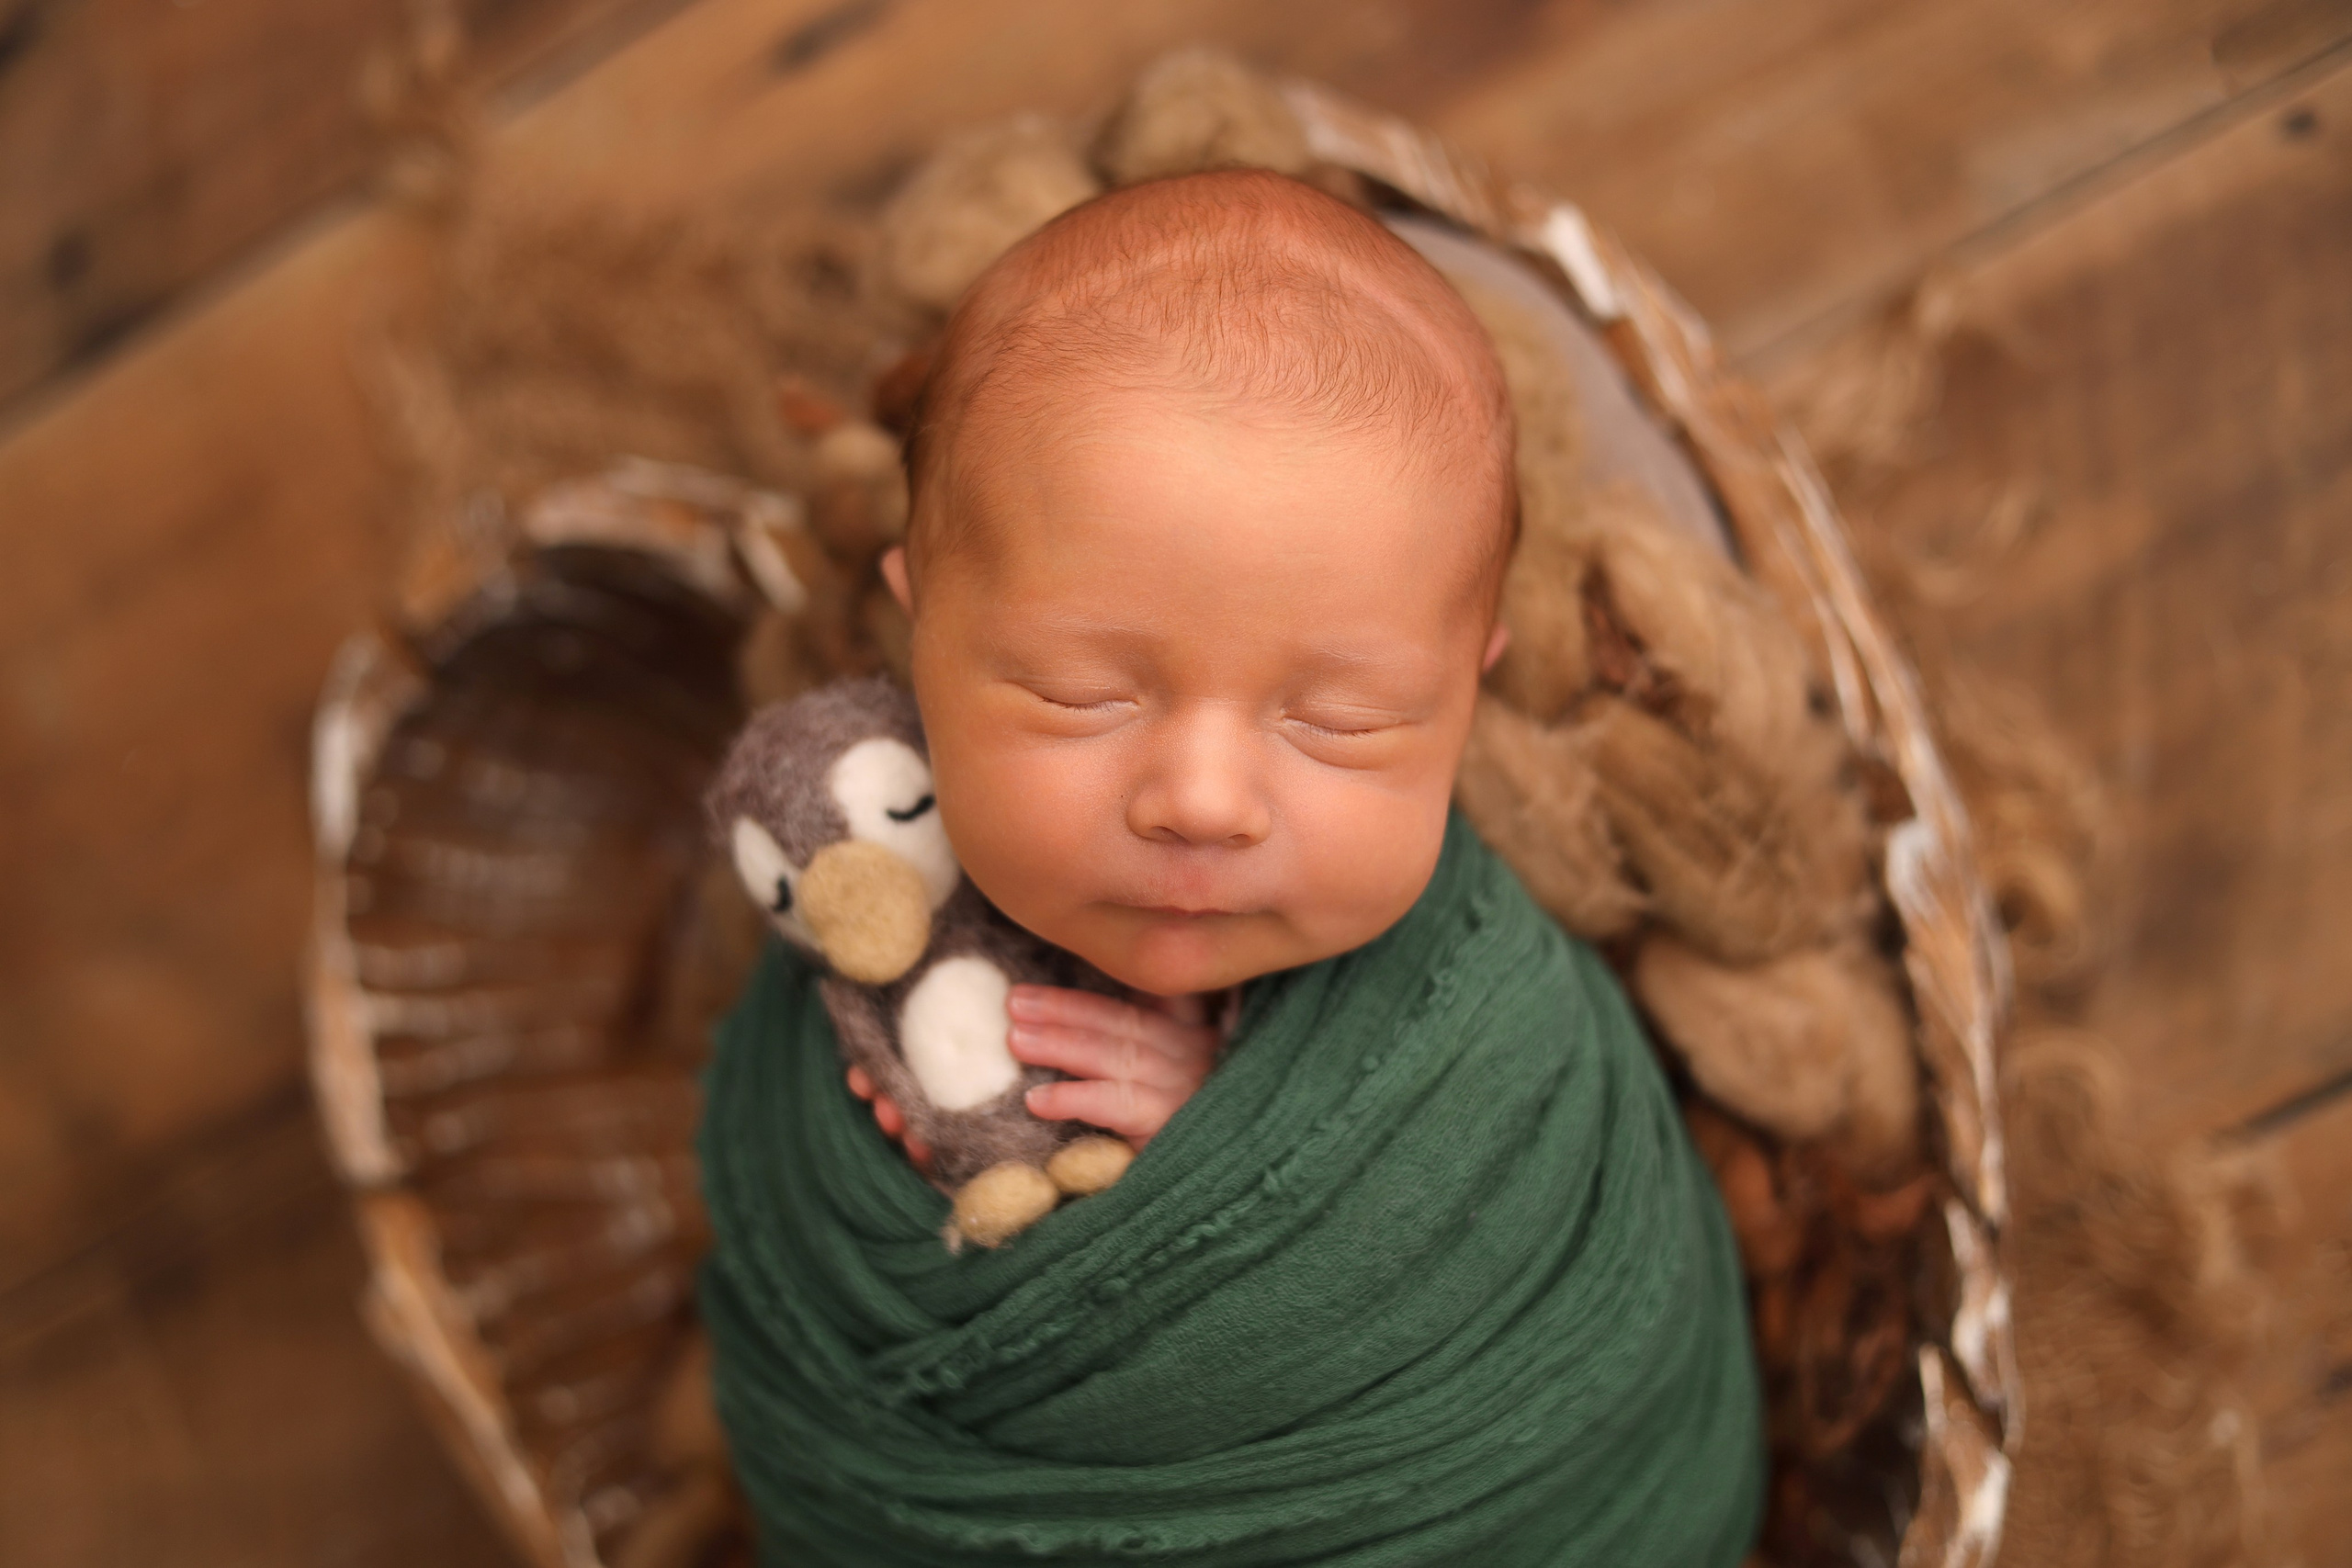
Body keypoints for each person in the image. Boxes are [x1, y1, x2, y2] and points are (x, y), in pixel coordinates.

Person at [698, 167, 1763, 1566]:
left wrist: (1239, 1135)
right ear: (919, 639)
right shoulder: (854, 900)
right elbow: (793, 1301)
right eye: (1082, 695)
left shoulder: (1490, 1039)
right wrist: (885, 1117)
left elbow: (1587, 1328)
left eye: (1339, 721)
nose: (1202, 801)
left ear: (1465, 695)